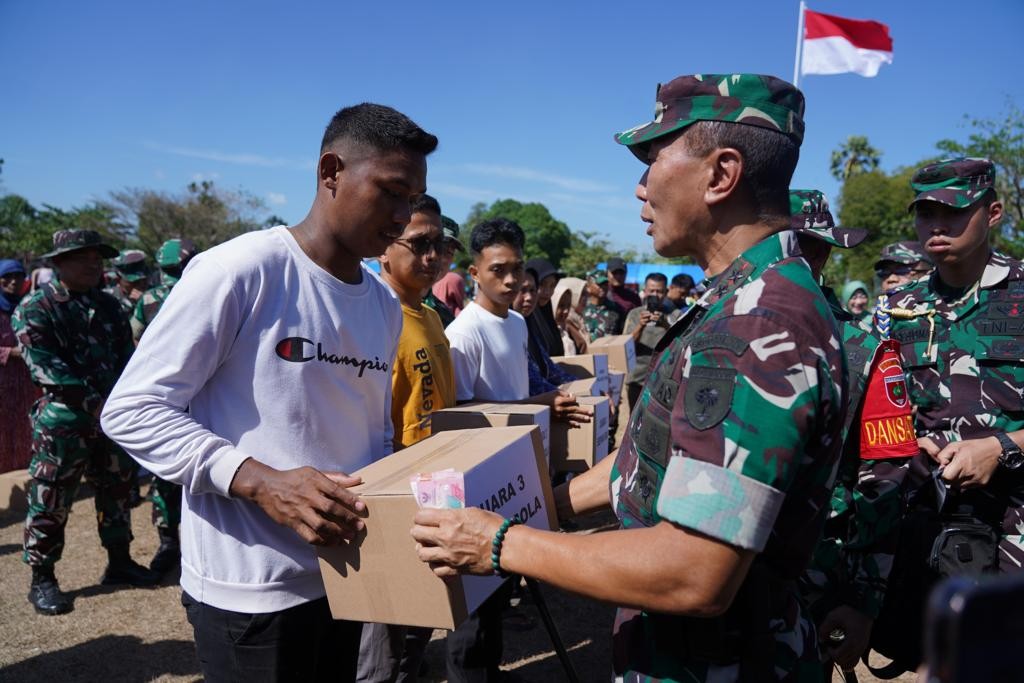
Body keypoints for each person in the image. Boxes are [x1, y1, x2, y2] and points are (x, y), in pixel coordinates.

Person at [411, 73, 847, 682]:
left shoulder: (757, 324)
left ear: (721, 175)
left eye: (652, 161)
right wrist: (547, 506)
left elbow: (693, 571)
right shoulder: (741, 301)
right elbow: (647, 460)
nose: (640, 188)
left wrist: (501, 543)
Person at [101, 103, 436, 681]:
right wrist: (259, 481)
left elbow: (371, 432)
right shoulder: (241, 271)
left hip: (345, 574)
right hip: (250, 592)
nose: (403, 217)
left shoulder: (383, 304)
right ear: (331, 171)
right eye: (391, 192)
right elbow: (132, 410)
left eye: (413, 199)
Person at [443, 218, 589, 683]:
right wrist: (539, 403)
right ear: (474, 272)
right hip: (477, 472)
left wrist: (542, 407)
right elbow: (459, 413)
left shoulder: (517, 324)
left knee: (499, 582)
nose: (510, 280)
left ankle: (491, 670)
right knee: (472, 599)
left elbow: (518, 391)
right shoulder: (464, 334)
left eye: (517, 269)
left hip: (514, 466)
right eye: (498, 270)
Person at [788, 189, 915, 674]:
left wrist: (864, 600)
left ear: (822, 254)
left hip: (808, 583)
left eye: (804, 246)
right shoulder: (712, 329)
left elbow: (884, 484)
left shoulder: (865, 352)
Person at [13, 230, 159, 616]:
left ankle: (119, 561)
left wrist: (127, 402)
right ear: (59, 262)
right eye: (83, 257)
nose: (94, 264)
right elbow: (47, 370)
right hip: (64, 422)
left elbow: (128, 360)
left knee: (117, 490)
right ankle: (42, 577)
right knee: (51, 498)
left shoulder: (108, 305)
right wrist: (103, 404)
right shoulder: (36, 307)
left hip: (110, 420)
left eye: (98, 258)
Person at [888, 158, 1024, 573]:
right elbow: (877, 410)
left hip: (1014, 529)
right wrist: (907, 442)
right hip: (926, 527)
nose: (937, 226)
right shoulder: (898, 308)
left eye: (954, 211)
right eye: (926, 213)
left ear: (993, 213)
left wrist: (1002, 448)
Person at [359, 193, 456, 683]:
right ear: (383, 248)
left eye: (439, 244)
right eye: (418, 243)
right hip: (392, 498)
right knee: (382, 646)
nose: (432, 255)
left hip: (435, 488)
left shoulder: (431, 315)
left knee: (421, 626)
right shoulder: (372, 316)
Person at [127, 237, 199, 576]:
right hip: (204, 396)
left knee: (165, 474)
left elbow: (136, 338)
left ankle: (168, 542)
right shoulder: (201, 287)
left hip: (165, 397)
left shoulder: (148, 299)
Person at [514, 270, 579, 397]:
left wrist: (590, 387)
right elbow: (533, 382)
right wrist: (566, 395)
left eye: (533, 290)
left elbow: (550, 369)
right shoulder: (507, 330)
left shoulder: (527, 327)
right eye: (522, 290)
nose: (529, 297)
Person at [1, 259, 39, 473]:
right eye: (7, 277)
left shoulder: (28, 307)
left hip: (26, 381)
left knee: (25, 425)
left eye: (18, 276)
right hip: (3, 381)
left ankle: (21, 474)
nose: (13, 281)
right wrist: (12, 352)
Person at [622, 272, 679, 411]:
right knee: (635, 417)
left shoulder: (675, 314)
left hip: (664, 378)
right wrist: (640, 326)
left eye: (659, 291)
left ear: (666, 292)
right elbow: (627, 346)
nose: (655, 295)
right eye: (651, 291)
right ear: (645, 291)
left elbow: (681, 343)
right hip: (637, 378)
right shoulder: (635, 314)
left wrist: (665, 325)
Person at [423, 215, 465, 327]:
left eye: (449, 252)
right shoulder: (384, 300)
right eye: (438, 247)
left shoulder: (445, 316)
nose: (443, 259)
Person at [524, 257, 564, 356]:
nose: (548, 292)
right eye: (542, 284)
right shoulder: (522, 320)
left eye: (552, 285)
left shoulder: (549, 319)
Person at [105, 249, 150, 319]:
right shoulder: (108, 299)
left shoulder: (156, 294)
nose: (141, 285)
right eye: (134, 282)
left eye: (144, 280)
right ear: (118, 279)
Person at [582, 268, 624, 340]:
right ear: (588, 287)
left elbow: (623, 335)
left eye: (605, 284)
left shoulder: (616, 309)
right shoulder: (582, 309)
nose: (603, 287)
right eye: (599, 284)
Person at [550, 276, 588, 356]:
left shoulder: (567, 328)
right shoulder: (548, 333)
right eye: (561, 306)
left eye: (568, 306)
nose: (566, 311)